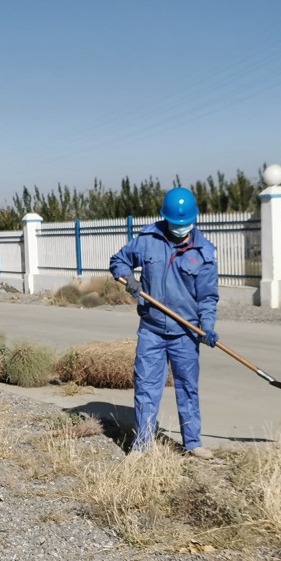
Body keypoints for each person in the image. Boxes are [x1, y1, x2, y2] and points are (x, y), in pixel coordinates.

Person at [108, 187, 219, 459]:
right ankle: (142, 445)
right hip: (152, 330)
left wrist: (207, 326)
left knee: (187, 388)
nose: (180, 228)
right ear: (165, 218)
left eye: (185, 223)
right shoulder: (149, 240)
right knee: (146, 387)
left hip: (186, 332)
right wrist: (129, 279)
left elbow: (207, 297)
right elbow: (119, 261)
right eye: (175, 223)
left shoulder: (204, 252)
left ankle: (192, 443)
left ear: (193, 219)